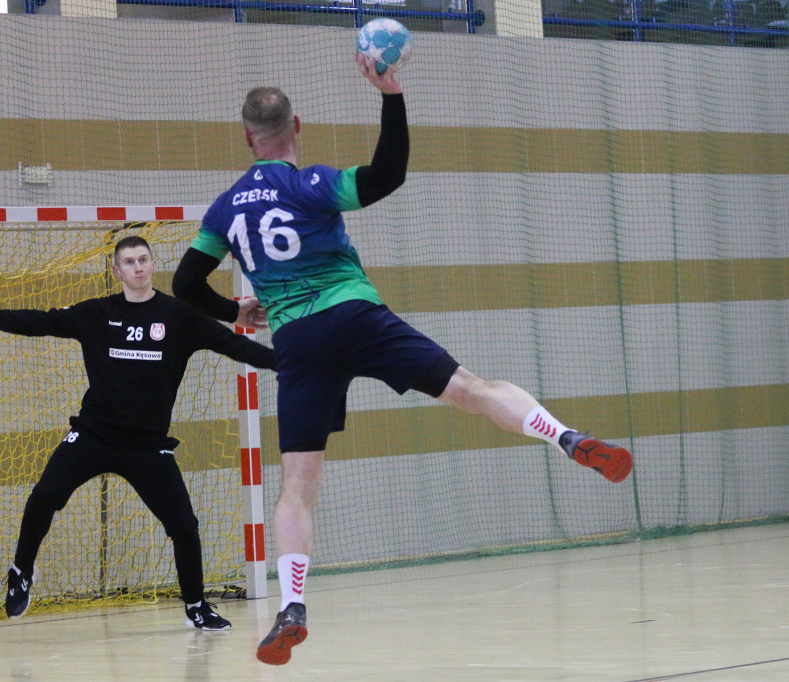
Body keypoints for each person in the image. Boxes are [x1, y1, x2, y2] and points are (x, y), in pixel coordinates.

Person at [172, 55, 634, 664]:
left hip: (298, 343)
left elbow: (183, 284)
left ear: (245, 136)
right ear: (297, 126)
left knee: (297, 489)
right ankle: (566, 437)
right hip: (355, 315)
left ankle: (293, 605)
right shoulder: (312, 183)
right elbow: (388, 174)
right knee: (471, 387)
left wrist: (239, 313)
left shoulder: (225, 209)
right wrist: (390, 94)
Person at [0, 235, 275, 631]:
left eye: (143, 259)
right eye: (128, 262)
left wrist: (287, 361)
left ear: (152, 264)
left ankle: (197, 605)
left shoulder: (180, 316)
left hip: (147, 446)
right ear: (117, 272)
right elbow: (37, 322)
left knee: (184, 525)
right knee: (44, 495)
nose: (137, 267)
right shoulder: (96, 313)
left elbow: (234, 346)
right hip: (94, 436)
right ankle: (21, 572)